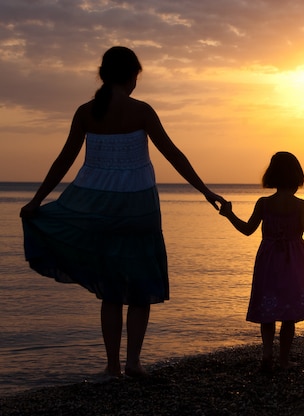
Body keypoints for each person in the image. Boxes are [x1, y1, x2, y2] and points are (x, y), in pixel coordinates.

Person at [20, 46, 225, 378]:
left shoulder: (86, 112)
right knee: (141, 286)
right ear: (132, 76)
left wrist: (36, 201)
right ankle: (134, 362)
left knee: (112, 290)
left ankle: (112, 366)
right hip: (140, 208)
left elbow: (63, 161)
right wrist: (205, 191)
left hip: (99, 210)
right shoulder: (141, 111)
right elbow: (173, 154)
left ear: (103, 75)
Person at [219, 151, 304, 372]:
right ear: (296, 177)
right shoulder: (300, 205)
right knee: (288, 314)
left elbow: (247, 230)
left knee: (268, 309)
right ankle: (283, 360)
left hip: (268, 260)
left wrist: (229, 214)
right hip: (295, 261)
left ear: (272, 175)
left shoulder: (264, 203)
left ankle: (267, 355)